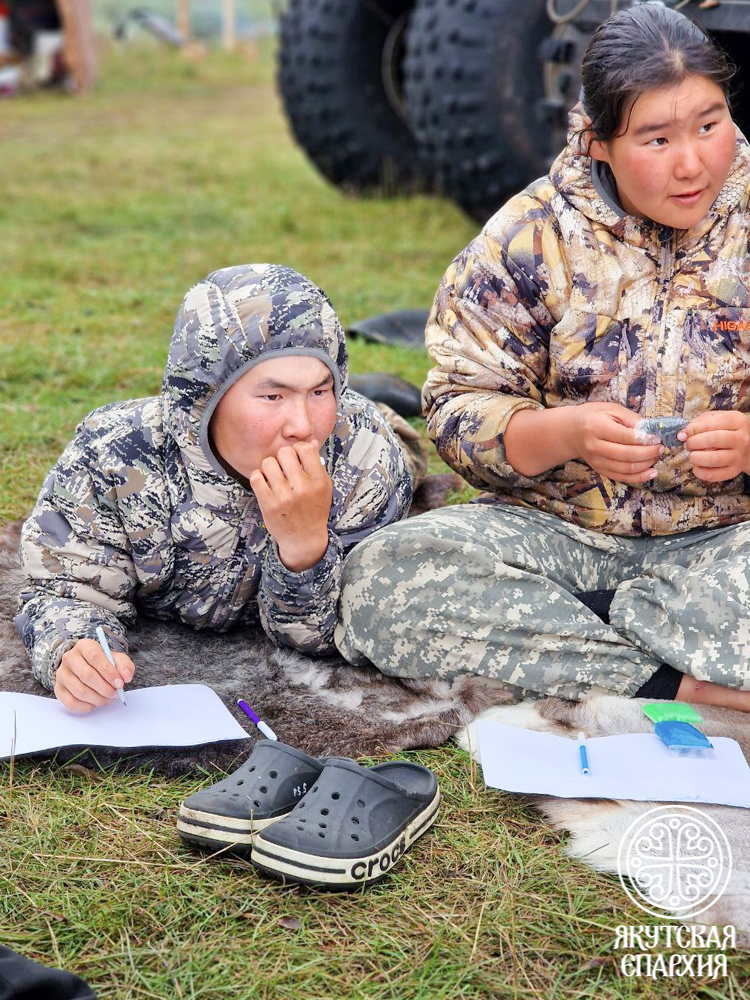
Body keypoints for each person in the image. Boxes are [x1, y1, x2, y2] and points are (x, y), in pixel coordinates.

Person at [335, 2, 750, 712]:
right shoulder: (528, 237)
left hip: (728, 543)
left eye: (709, 125)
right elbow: (459, 406)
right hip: (560, 537)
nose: (692, 163)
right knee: (381, 577)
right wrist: (563, 435)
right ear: (597, 142)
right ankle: (676, 681)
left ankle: (586, 633)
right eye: (655, 139)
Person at [15, 263, 421, 713]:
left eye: (321, 392)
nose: (303, 427)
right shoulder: (114, 452)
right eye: (273, 396)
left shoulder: (362, 454)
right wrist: (73, 649)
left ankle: (378, 402)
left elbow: (325, 636)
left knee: (402, 448)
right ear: (206, 396)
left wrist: (303, 546)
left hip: (384, 438)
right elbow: (62, 587)